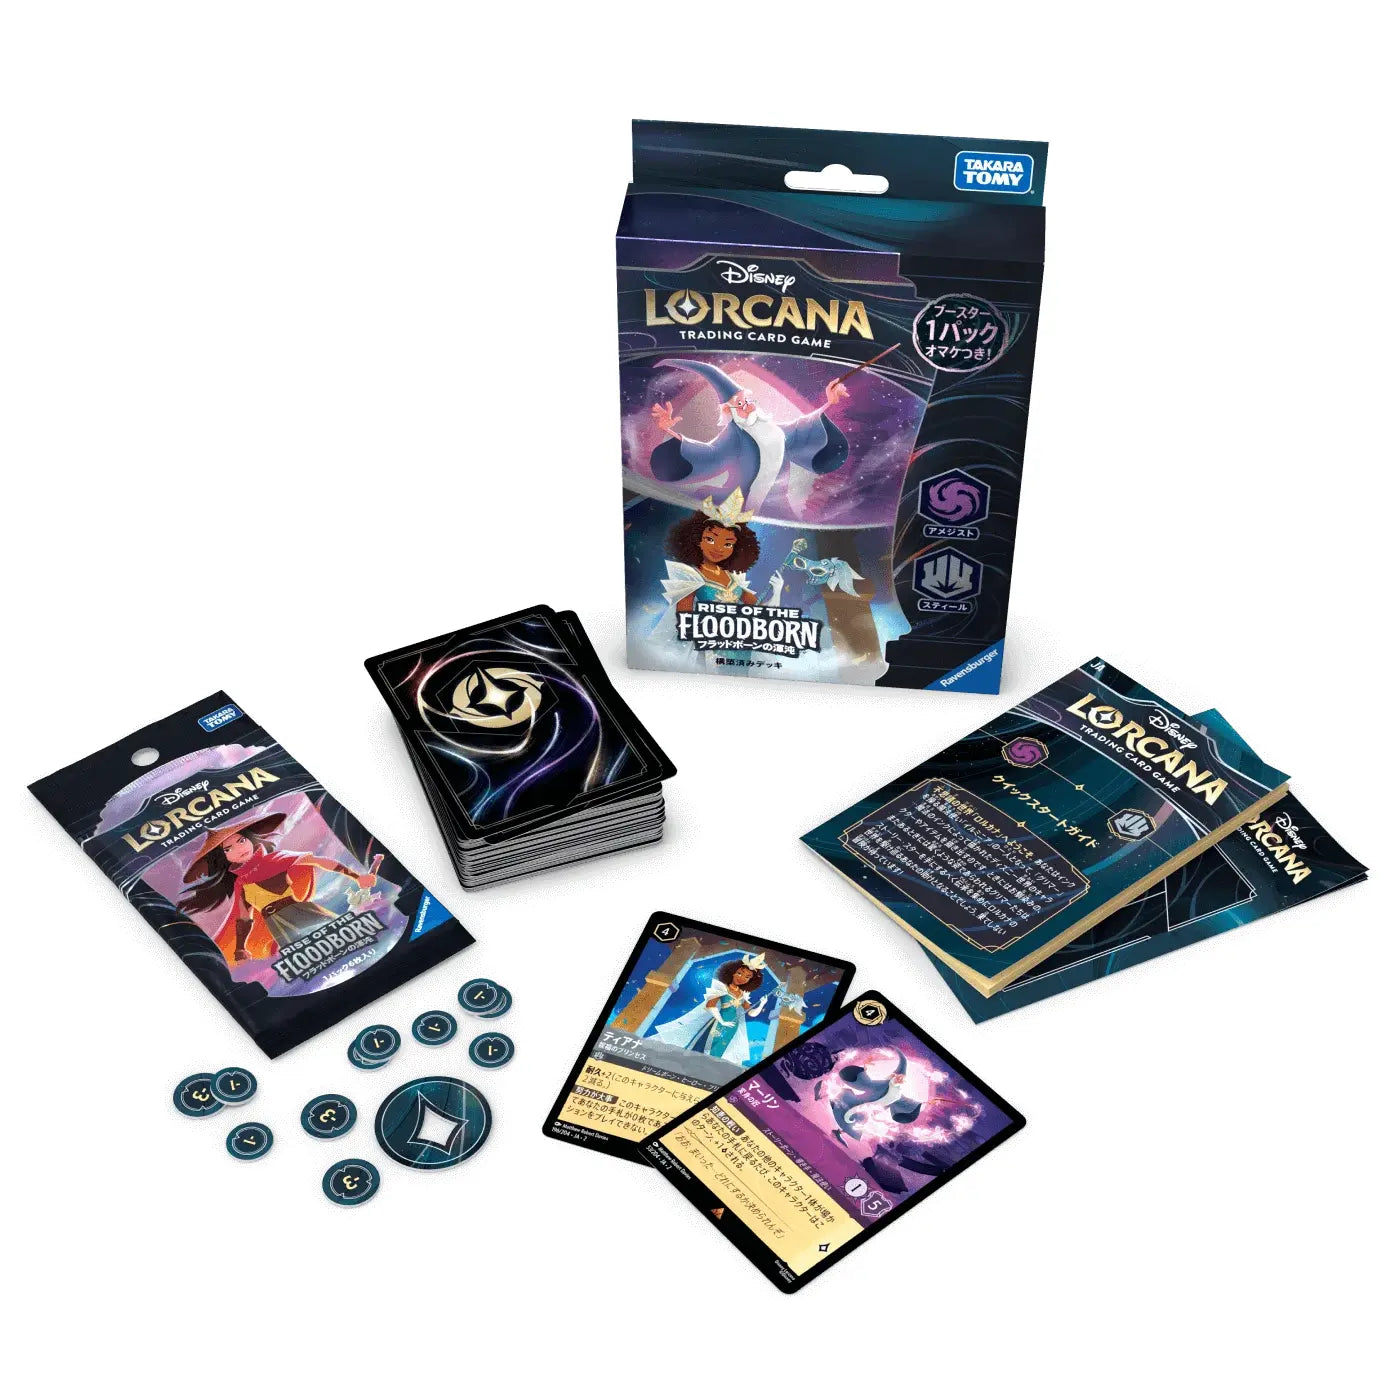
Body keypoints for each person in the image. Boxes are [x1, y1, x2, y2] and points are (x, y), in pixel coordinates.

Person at [178, 812, 376, 965]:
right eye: (228, 849)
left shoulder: (278, 858)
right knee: (310, 960)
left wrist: (358, 877)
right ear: (224, 858)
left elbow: (319, 861)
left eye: (241, 840)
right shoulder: (241, 883)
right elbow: (244, 917)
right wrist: (240, 948)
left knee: (349, 943)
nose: (239, 849)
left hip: (305, 913)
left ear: (250, 838)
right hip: (281, 930)